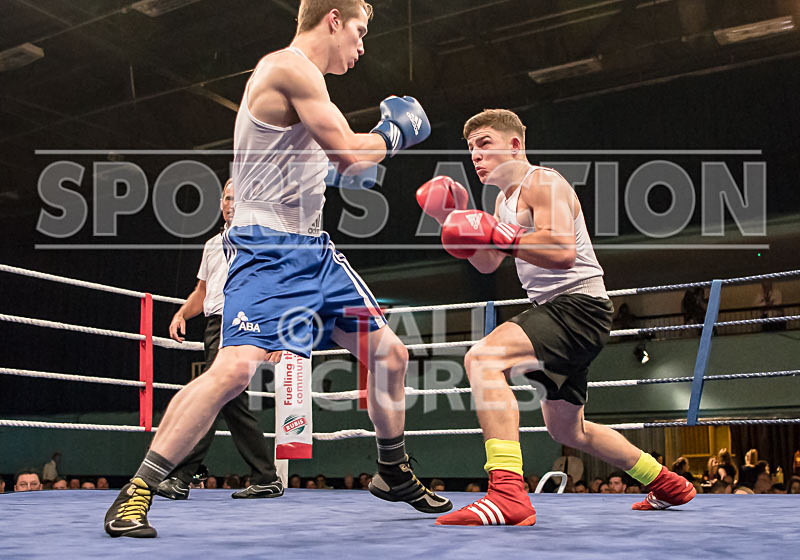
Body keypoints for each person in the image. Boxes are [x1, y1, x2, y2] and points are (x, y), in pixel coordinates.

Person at [104, 0, 449, 538]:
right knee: (235, 369)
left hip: (313, 251)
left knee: (389, 355)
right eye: (358, 32)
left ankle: (393, 471)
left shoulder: (307, 84)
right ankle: (137, 491)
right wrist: (394, 133)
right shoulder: (288, 68)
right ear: (332, 19)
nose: (362, 47)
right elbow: (355, 159)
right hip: (265, 250)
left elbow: (330, 170)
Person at [427, 109, 695, 526]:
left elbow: (561, 251)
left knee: (483, 359)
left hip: (578, 306)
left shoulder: (544, 182)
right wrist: (453, 222)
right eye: (470, 149)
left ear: (515, 145)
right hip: (558, 311)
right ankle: (666, 483)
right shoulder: (503, 200)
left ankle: (507, 495)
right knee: (570, 432)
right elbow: (487, 264)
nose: (475, 156)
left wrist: (497, 233)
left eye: (484, 144)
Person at [157, 179, 281, 502]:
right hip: (213, 326)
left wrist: (275, 334)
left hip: (239, 324)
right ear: (220, 203)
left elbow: (273, 289)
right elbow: (202, 292)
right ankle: (267, 476)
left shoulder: (258, 242)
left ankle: (182, 475)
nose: (230, 204)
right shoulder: (212, 245)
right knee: (230, 403)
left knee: (210, 399)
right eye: (226, 198)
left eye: (237, 199)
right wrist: (182, 314)